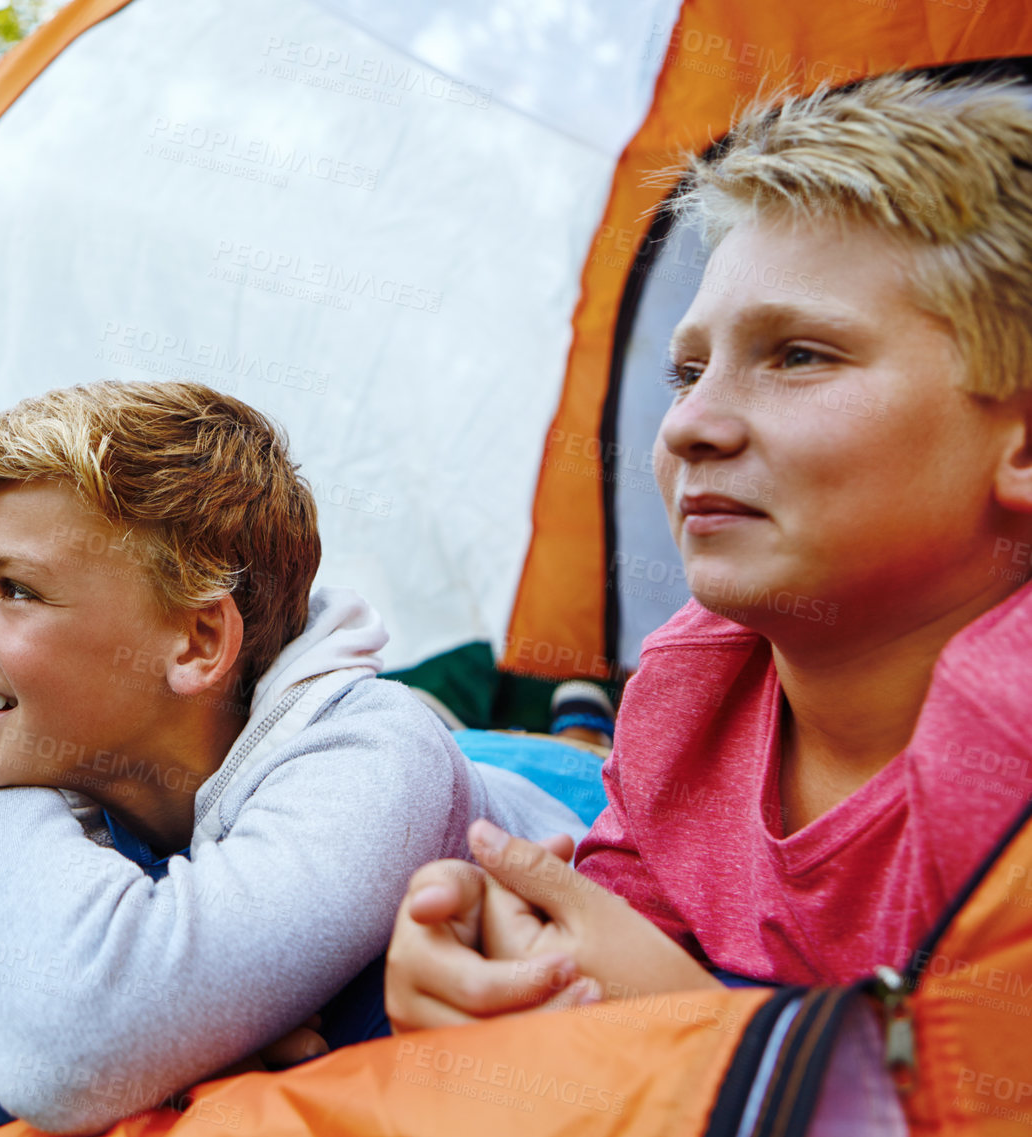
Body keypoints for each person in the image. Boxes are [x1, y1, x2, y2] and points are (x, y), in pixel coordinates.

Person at [0, 381, 583, 1135]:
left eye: (15, 590)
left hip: (518, 787)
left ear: (194, 644)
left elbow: (70, 1049)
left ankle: (580, 713)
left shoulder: (371, 755)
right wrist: (161, 1022)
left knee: (559, 749)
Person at [386, 73, 1032, 1029]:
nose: (692, 425)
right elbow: (616, 918)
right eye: (687, 371)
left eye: (800, 355)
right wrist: (503, 964)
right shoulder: (697, 677)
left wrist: (694, 1030)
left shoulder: (1006, 740)